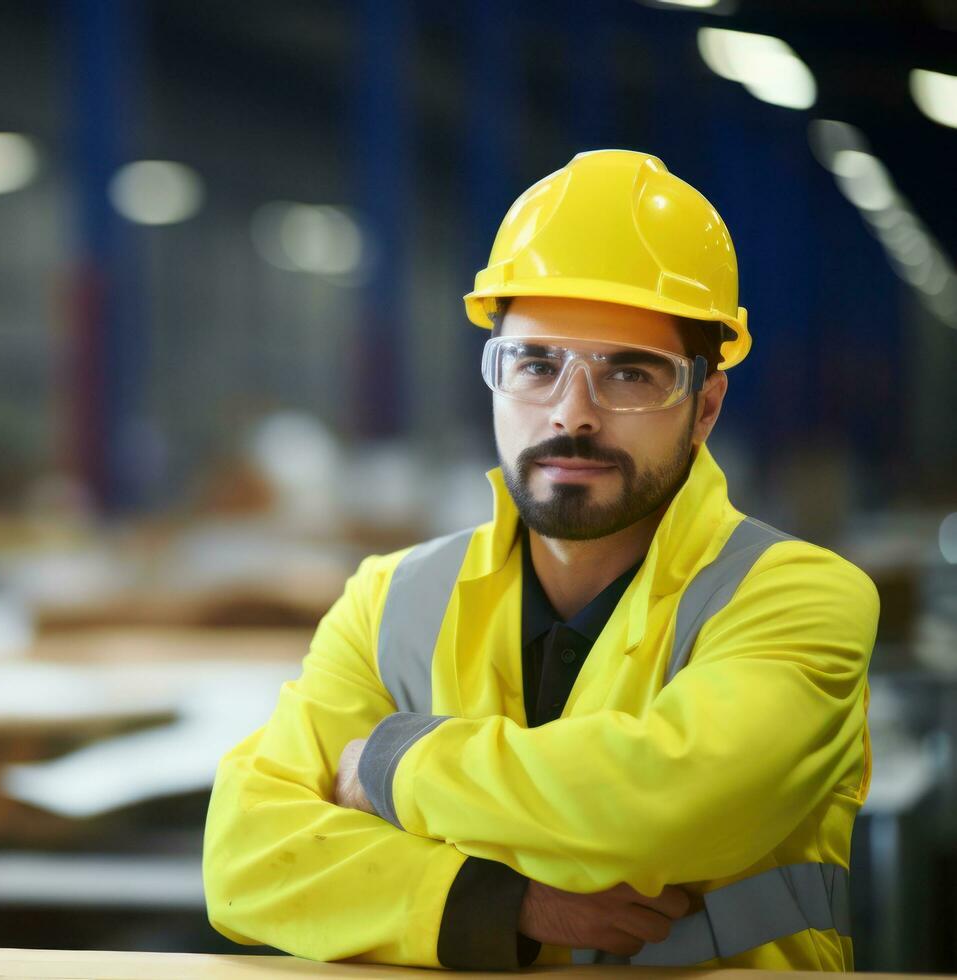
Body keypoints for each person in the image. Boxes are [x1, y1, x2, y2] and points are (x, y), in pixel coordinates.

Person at [201, 150, 878, 971]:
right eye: (535, 364)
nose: (573, 413)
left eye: (629, 374)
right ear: (494, 377)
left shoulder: (797, 597)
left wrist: (389, 761)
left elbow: (664, 805)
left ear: (703, 407)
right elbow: (244, 858)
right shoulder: (393, 601)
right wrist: (510, 907)